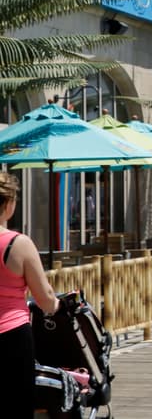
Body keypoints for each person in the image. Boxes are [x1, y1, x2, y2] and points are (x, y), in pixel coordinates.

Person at [1, 172, 60, 419]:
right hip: (11, 336)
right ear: (9, 203)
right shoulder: (18, 243)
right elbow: (45, 297)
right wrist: (55, 304)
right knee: (17, 406)